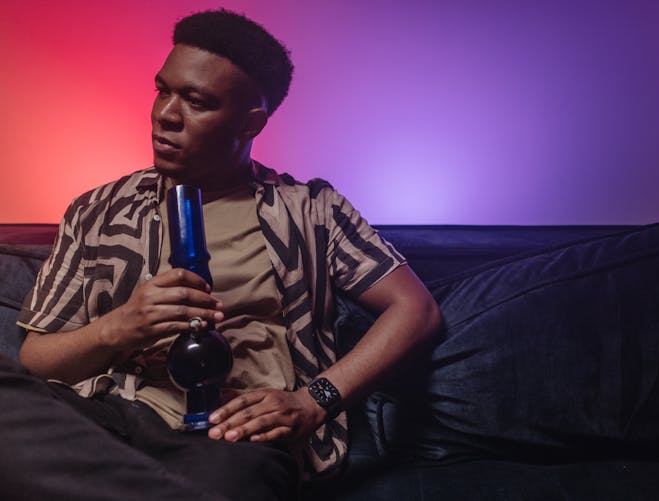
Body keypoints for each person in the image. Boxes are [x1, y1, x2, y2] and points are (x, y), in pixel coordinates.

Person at [2, 9, 441, 501]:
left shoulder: (311, 209)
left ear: (249, 123)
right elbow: (34, 359)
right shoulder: (97, 209)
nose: (166, 114)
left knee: (226, 481)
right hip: (107, 420)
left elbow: (415, 310)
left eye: (196, 101)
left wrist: (313, 401)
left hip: (229, 435)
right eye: (162, 90)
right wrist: (118, 327)